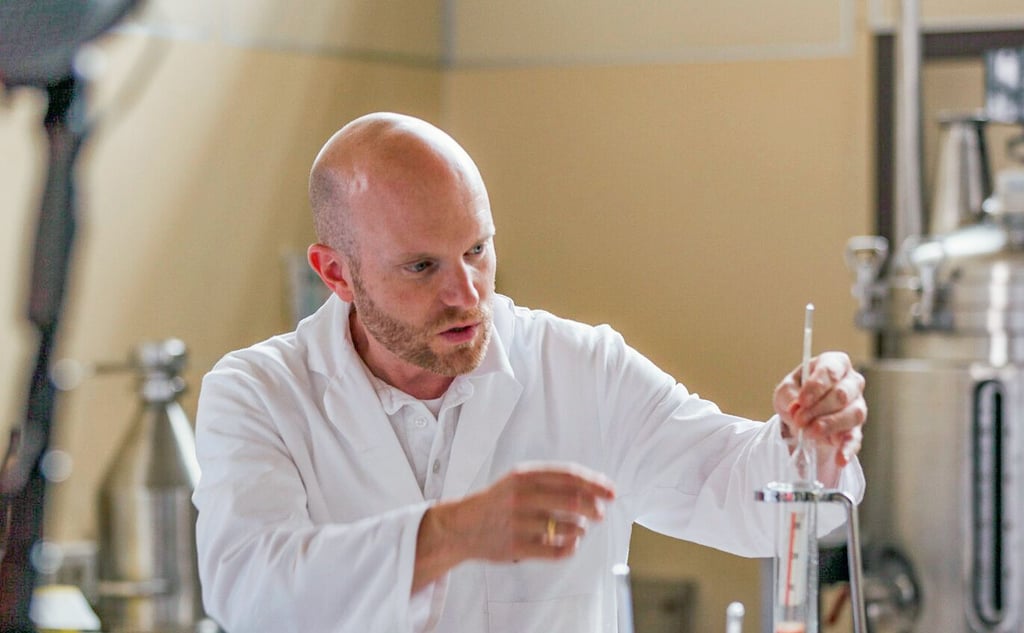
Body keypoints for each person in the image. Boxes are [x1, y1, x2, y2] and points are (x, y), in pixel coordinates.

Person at [192, 112, 866, 633]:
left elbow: (736, 494)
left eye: (477, 249)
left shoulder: (580, 367)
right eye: (422, 266)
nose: (466, 292)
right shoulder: (260, 394)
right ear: (336, 273)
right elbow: (250, 589)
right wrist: (450, 534)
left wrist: (806, 442)